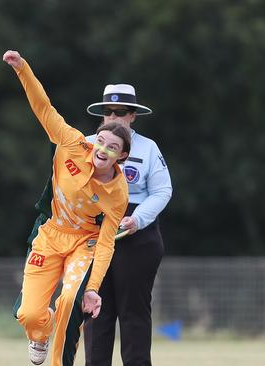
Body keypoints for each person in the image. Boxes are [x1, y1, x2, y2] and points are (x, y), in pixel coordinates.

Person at [3, 50, 130, 366]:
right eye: (100, 140)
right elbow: (44, 109)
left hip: (83, 243)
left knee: (70, 300)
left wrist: (93, 289)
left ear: (122, 157)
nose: (102, 149)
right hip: (50, 235)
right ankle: (39, 334)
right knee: (29, 315)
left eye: (112, 148)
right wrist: (23, 69)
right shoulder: (72, 143)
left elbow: (105, 244)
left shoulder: (117, 193)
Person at [83, 84, 172, 366]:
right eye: (108, 111)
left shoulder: (147, 148)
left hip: (135, 236)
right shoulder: (85, 144)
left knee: (133, 313)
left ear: (132, 116)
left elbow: (162, 191)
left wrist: (138, 219)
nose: (113, 117)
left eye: (120, 112)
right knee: (95, 311)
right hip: (94, 233)